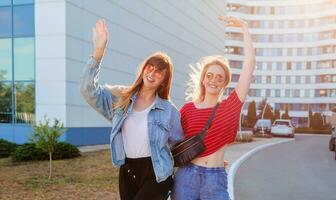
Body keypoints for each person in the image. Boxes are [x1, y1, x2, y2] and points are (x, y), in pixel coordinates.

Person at [80, 19, 184, 200]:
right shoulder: (122, 100)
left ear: (164, 80)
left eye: (159, 71)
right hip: (127, 170)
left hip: (157, 173)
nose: (152, 73)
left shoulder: (169, 111)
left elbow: (179, 147)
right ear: (143, 69)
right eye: (149, 67)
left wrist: (208, 161)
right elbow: (87, 90)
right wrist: (98, 53)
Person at [172, 16, 256, 200]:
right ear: (203, 79)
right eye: (209, 75)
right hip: (186, 177)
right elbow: (173, 141)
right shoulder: (187, 109)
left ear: (225, 82)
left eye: (219, 77)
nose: (214, 80)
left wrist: (244, 27)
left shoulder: (230, 107)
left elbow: (249, 63)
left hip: (215, 179)